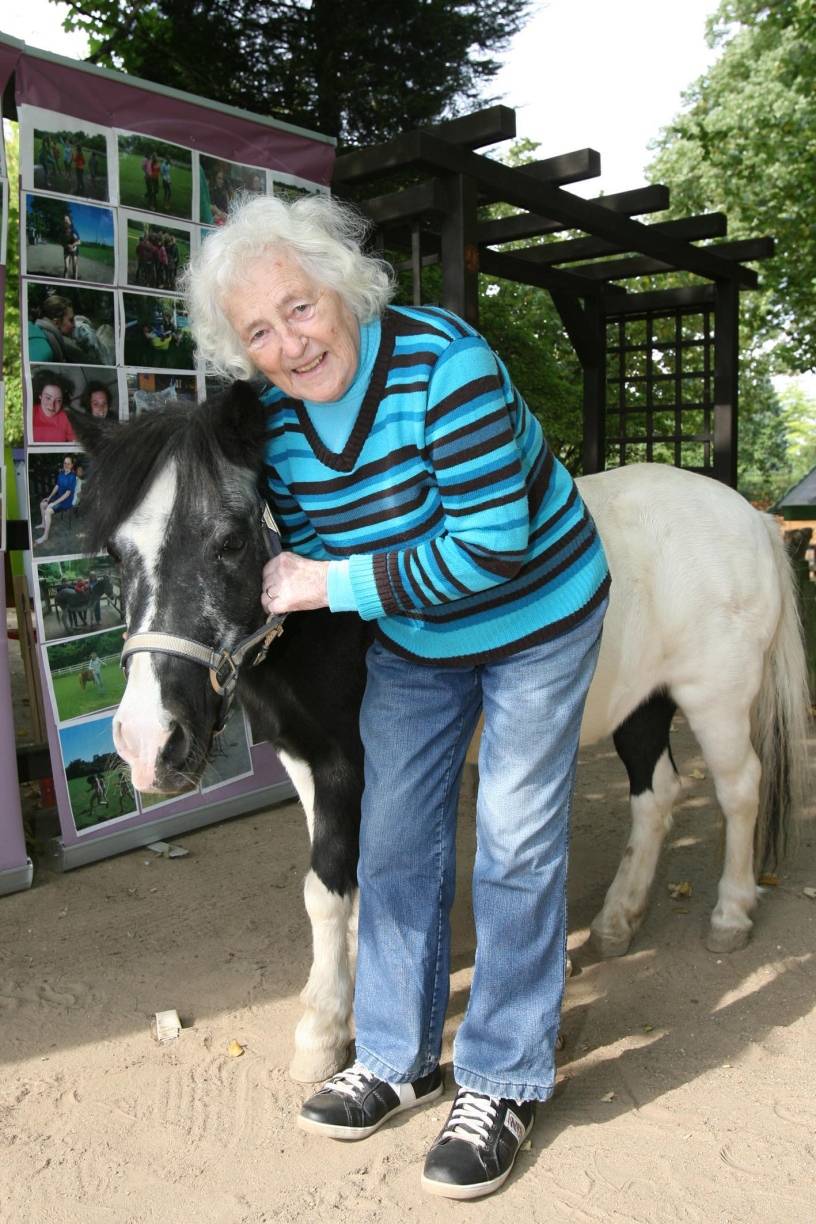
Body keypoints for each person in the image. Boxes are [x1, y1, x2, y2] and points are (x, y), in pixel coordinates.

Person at [183, 195, 611, 1201]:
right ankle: (395, 1052)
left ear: (344, 288)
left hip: (537, 612)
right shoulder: (273, 419)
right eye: (257, 330)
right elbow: (277, 533)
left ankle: (502, 1076)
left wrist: (329, 583)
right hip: (418, 632)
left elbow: (494, 547)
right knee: (391, 841)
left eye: (300, 307)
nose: (289, 343)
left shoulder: (444, 366)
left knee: (514, 841)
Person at [28, 295, 84, 363]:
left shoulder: (40, 332)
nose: (74, 325)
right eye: (71, 320)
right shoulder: (67, 346)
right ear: (57, 323)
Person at [35, 455, 77, 545]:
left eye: (68, 463)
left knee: (48, 511)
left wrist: (53, 503)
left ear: (71, 465)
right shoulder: (61, 474)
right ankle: (43, 524)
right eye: (64, 463)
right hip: (58, 497)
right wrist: (49, 498)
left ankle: (45, 536)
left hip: (66, 501)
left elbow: (67, 494)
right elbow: (57, 486)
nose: (66, 465)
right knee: (42, 504)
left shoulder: (72, 477)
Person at [32, 375, 76, 444]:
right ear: (40, 395)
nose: (52, 406)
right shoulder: (29, 413)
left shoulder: (66, 417)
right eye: (48, 398)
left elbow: (75, 443)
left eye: (58, 400)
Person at [62, 213, 81, 280]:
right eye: (64, 220)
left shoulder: (73, 230)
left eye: (67, 219)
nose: (65, 221)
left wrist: (72, 245)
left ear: (70, 220)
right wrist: (66, 245)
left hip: (74, 249)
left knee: (74, 267)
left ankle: (75, 283)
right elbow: (61, 242)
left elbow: (79, 242)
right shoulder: (63, 231)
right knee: (66, 267)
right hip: (66, 249)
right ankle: (64, 282)